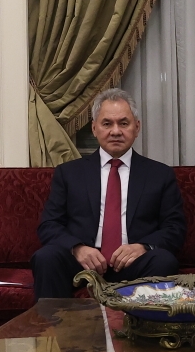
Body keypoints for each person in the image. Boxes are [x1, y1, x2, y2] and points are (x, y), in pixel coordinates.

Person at [31, 88, 186, 299]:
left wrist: (142, 247)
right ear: (94, 128)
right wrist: (77, 248)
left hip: (134, 264)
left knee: (164, 260)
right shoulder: (69, 173)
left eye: (123, 123)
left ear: (137, 127)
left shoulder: (159, 174)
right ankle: (53, 322)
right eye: (107, 124)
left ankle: (145, 322)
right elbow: (49, 225)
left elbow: (175, 228)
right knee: (46, 257)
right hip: (82, 264)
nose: (115, 131)